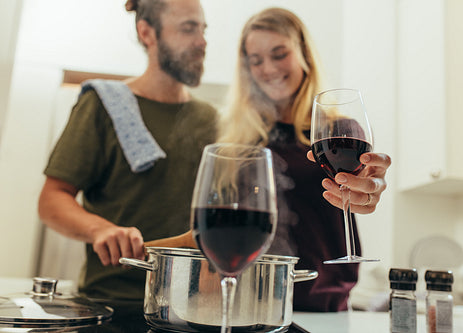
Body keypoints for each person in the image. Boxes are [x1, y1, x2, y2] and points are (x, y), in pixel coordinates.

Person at [38, 0, 218, 301]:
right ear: (147, 32)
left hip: (194, 306)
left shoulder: (213, 120)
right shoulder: (102, 105)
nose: (202, 42)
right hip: (111, 303)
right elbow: (52, 199)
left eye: (203, 29)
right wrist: (99, 230)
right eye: (188, 29)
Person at [217, 7, 391, 312]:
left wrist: (368, 190)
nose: (268, 68)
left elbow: (364, 186)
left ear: (304, 55)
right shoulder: (237, 142)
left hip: (323, 307)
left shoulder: (339, 131)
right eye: (255, 60)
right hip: (248, 306)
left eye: (279, 54)